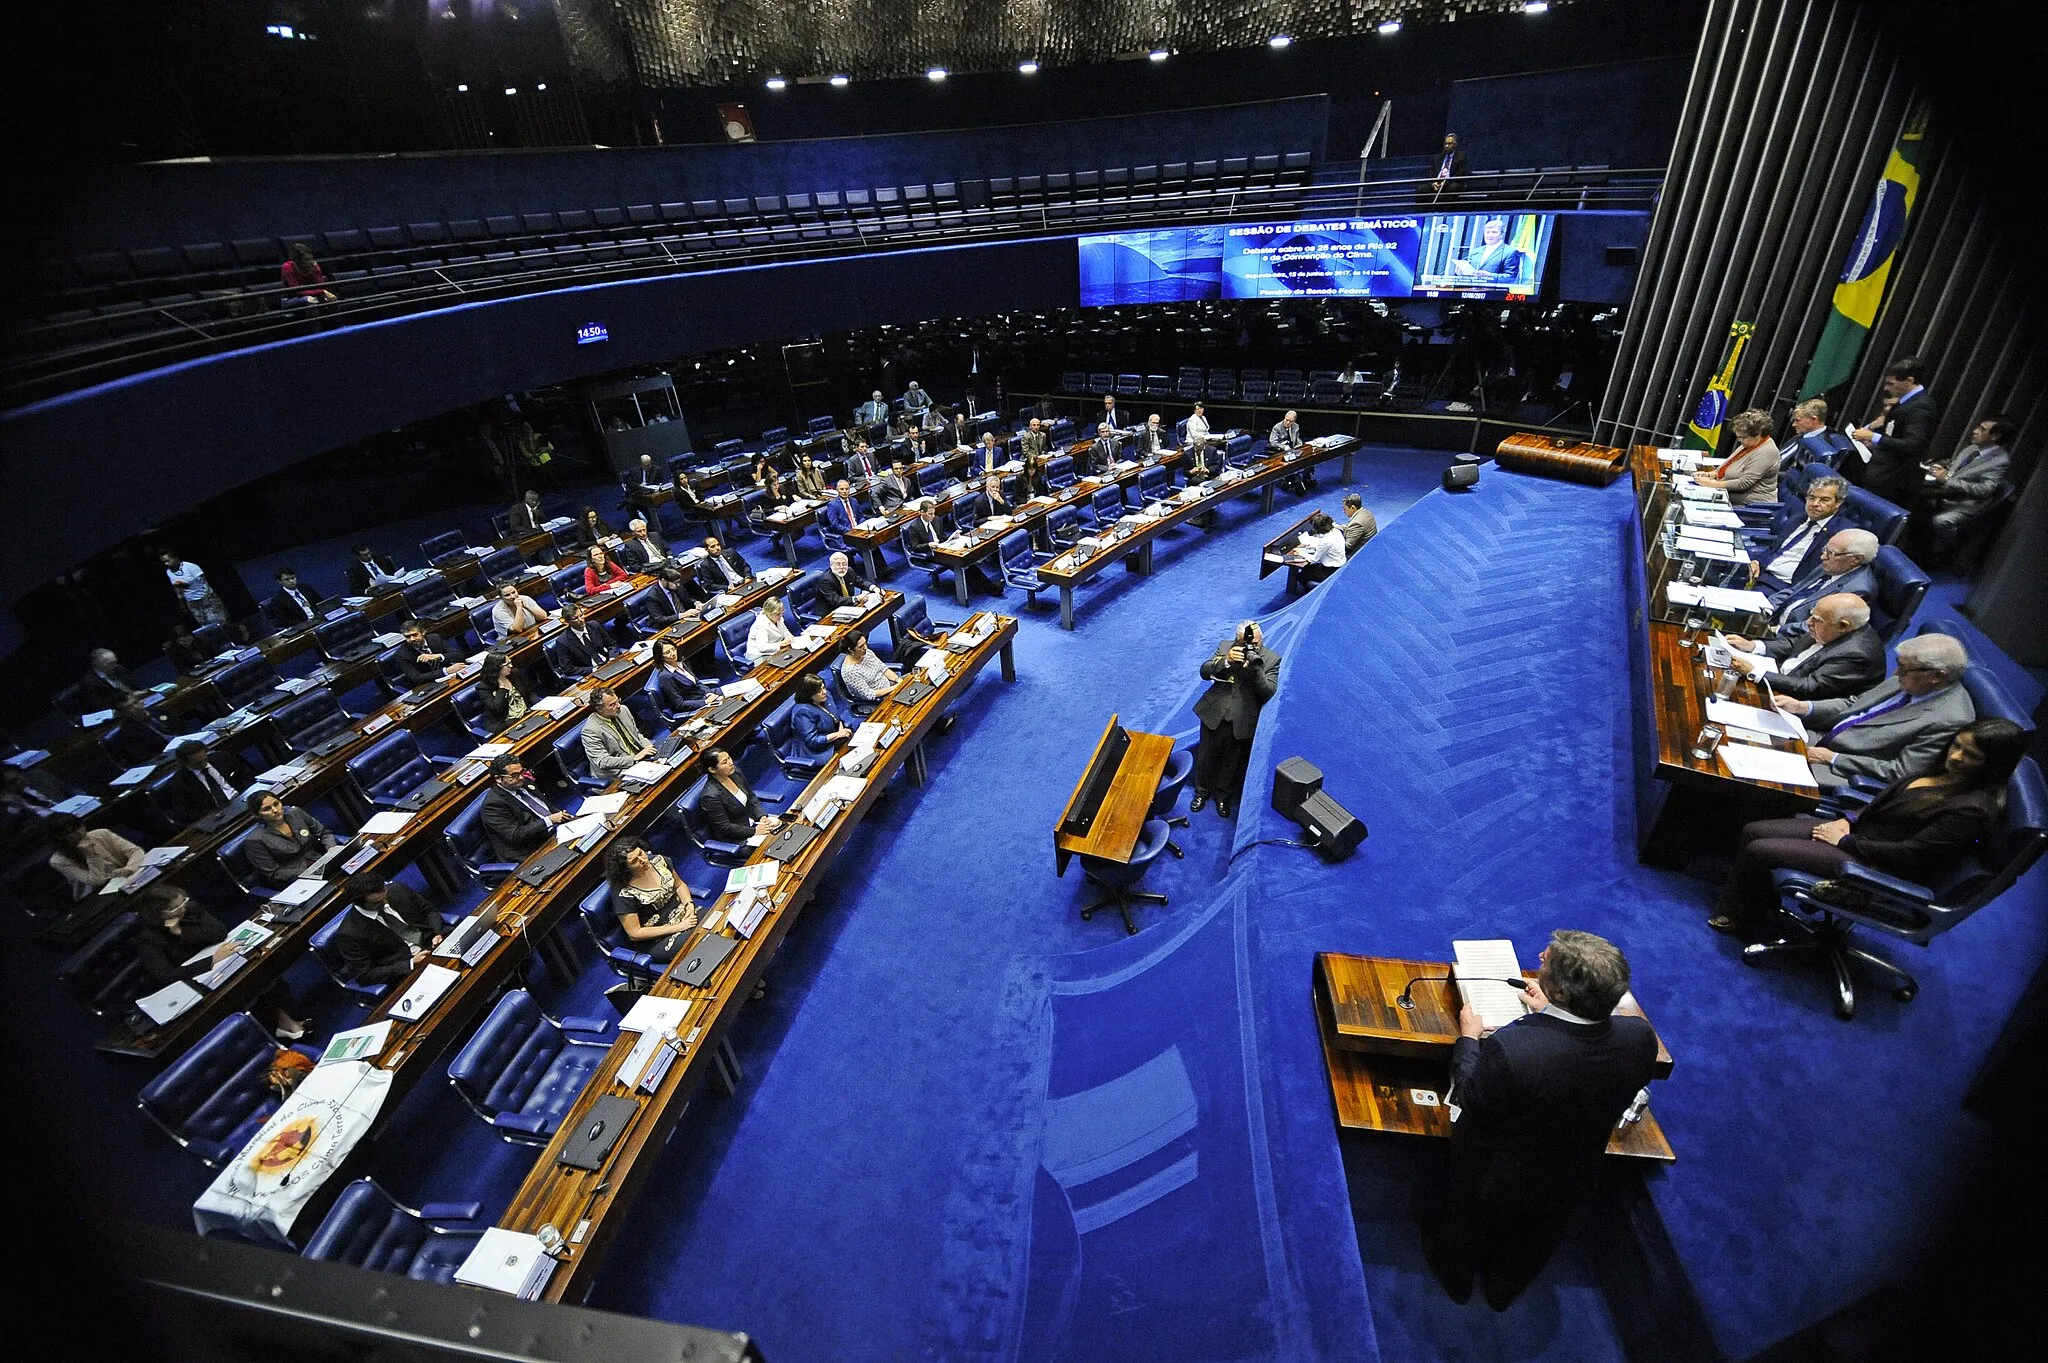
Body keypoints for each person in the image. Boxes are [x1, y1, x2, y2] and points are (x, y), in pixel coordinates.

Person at [1420, 930, 1658, 1310]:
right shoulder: (1641, 1037)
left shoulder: (1515, 1051)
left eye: (1548, 960)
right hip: (1573, 1178)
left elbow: (1470, 1097)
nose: (1541, 955)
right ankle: (1502, 1291)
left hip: (1494, 1180)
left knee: (1463, 1228)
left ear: (1563, 994)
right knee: (1531, 1244)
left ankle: (1457, 1278)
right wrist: (1554, 1013)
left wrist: (1468, 1040)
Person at [1710, 719, 2028, 936]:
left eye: (1969, 755)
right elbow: (1885, 801)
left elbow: (1912, 855)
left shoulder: (1973, 809)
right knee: (1753, 829)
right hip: (1862, 835)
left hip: (1879, 863)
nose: (1955, 757)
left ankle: (1739, 918)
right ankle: (1758, 905)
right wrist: (1847, 820)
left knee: (1759, 849)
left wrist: (1845, 842)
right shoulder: (1943, 772)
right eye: (1956, 745)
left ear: (1992, 764)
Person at [1772, 632, 1975, 786]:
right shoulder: (1912, 679)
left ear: (1937, 676)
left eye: (1904, 669)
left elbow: (1901, 772)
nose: (1896, 672)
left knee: (1764, 774)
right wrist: (1802, 706)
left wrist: (1832, 758)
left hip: (1841, 769)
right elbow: (1856, 704)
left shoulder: (1950, 719)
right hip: (1820, 738)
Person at [133, 886, 309, 1038]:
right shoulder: (148, 939)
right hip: (194, 980)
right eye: (177, 906)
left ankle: (282, 1019)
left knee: (256, 966)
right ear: (162, 914)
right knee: (243, 986)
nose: (184, 906)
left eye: (183, 901)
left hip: (221, 959)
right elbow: (166, 976)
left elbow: (218, 932)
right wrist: (211, 960)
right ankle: (282, 1023)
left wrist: (182, 932)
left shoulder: (190, 908)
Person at [1191, 622, 1280, 818]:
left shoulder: (1272, 659)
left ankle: (1223, 798)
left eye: (1256, 643)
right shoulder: (1225, 647)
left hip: (1243, 719)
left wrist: (1256, 669)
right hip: (1214, 713)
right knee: (1205, 758)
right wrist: (1226, 661)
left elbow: (1267, 693)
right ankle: (1201, 793)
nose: (1252, 647)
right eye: (1246, 643)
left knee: (1231, 764)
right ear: (1237, 640)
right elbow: (1204, 672)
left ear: (1261, 640)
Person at [1725, 593, 1886, 701]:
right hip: (1780, 680)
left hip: (1793, 702)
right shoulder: (1829, 627)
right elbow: (1795, 643)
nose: (1808, 622)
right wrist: (1753, 646)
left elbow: (1809, 688)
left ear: (1843, 626)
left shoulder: (1857, 655)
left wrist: (1755, 672)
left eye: (1816, 619)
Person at [1753, 528, 1879, 638]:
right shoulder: (1832, 564)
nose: (1823, 557)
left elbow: (1820, 627)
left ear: (1856, 559)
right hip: (1772, 620)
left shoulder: (1857, 591)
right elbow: (1793, 591)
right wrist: (1766, 608)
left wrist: (1776, 630)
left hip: (1790, 637)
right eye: (1825, 550)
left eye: (1831, 553)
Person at [1922, 416, 2013, 562]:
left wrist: (1947, 479)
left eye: (1982, 429)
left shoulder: (2000, 462)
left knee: (1942, 521)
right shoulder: (1972, 448)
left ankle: (1945, 554)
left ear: (1995, 436)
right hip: (1946, 495)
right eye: (1978, 427)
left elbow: (1984, 490)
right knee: (1918, 505)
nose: (1975, 431)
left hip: (1966, 504)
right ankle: (1919, 549)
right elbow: (1956, 469)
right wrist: (1944, 470)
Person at [1848, 356, 1938, 503]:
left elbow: (1913, 444)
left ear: (1909, 381)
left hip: (1893, 481)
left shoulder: (1921, 407)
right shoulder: (1906, 402)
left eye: (1891, 383)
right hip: (1880, 474)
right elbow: (1895, 434)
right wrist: (1875, 440)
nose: (1886, 388)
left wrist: (1874, 437)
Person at [330, 873, 444, 986]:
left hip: (435, 943)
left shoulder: (397, 889)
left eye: (385, 895)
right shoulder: (349, 934)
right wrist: (410, 963)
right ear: (361, 903)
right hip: (408, 968)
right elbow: (365, 975)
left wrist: (437, 932)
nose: (385, 902)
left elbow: (430, 911)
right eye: (377, 902)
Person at [1747, 475, 1850, 593]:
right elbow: (1773, 549)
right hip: (1760, 574)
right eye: (1811, 498)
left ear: (1838, 503)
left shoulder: (1841, 534)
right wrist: (1756, 562)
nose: (1815, 503)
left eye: (1824, 500)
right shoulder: (1798, 519)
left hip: (1784, 587)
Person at [604, 837, 698, 961]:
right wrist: (679, 927)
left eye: (641, 853)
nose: (642, 860)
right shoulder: (623, 893)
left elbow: (679, 885)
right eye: (634, 861)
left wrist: (689, 904)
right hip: (657, 938)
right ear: (625, 869)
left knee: (717, 920)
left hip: (684, 915)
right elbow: (635, 933)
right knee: (697, 943)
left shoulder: (660, 862)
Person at [241, 791, 338, 888]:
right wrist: (311, 872)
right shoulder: (254, 840)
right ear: (257, 815)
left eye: (276, 804)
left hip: (321, 862)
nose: (275, 810)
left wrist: (332, 850)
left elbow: (324, 833)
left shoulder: (295, 813)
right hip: (296, 880)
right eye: (267, 809)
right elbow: (275, 873)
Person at [479, 756, 569, 860]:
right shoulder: (493, 805)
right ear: (498, 778)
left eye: (522, 772)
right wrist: (549, 820)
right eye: (514, 775)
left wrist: (563, 816)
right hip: (530, 849)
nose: (521, 777)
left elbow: (546, 806)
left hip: (555, 831)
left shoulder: (523, 783)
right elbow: (515, 835)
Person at [1690, 408, 1779, 505]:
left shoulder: (1767, 452)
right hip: (1728, 496)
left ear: (1758, 435)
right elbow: (1727, 466)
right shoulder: (1751, 444)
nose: (1740, 440)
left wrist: (1710, 484)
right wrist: (1709, 475)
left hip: (1749, 506)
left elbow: (1743, 483)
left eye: (1743, 437)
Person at [46, 814, 146, 899]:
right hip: (100, 894)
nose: (80, 833)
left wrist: (129, 869)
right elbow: (97, 881)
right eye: (71, 832)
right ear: (60, 838)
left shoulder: (101, 834)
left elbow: (135, 851)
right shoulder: (59, 861)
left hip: (127, 878)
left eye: (79, 826)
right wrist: (90, 854)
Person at [158, 739, 251, 825]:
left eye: (204, 759)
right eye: (197, 763)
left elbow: (246, 775)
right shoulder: (179, 782)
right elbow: (185, 814)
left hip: (243, 799)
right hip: (218, 815)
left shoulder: (222, 757)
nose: (203, 764)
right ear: (185, 763)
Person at [700, 746, 781, 844]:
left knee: (783, 829)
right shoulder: (710, 796)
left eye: (729, 758)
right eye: (725, 762)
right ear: (712, 770)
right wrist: (754, 831)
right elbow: (724, 828)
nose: (731, 763)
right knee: (774, 843)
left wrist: (762, 816)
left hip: (753, 821)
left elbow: (751, 796)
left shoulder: (735, 773)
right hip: (738, 837)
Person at [580, 687, 655, 778]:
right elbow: (603, 761)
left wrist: (648, 746)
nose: (618, 706)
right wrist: (633, 758)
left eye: (618, 701)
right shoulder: (591, 730)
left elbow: (636, 734)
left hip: (640, 757)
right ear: (599, 709)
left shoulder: (623, 710)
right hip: (619, 771)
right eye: (612, 705)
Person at [784, 675, 852, 763]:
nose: (824, 692)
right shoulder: (803, 712)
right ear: (809, 694)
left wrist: (841, 727)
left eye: (823, 687)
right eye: (819, 691)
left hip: (835, 735)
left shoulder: (825, 696)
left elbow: (835, 717)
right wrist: (838, 734)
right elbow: (813, 741)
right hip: (820, 751)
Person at [1449, 216, 1530, 287]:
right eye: (1487, 232)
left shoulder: (1510, 252)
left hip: (1495, 296)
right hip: (1470, 293)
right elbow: (1471, 275)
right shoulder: (1476, 251)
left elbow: (1511, 278)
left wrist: (1490, 276)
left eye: (1494, 232)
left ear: (1502, 234)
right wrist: (1461, 273)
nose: (1490, 235)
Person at [1777, 398, 1855, 471]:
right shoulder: (1800, 437)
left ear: (1813, 420)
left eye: (1798, 420)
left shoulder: (1822, 448)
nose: (1793, 424)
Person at [103, 694, 177, 769]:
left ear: (141, 701)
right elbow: (145, 756)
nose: (136, 707)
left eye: (135, 702)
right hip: (167, 757)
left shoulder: (158, 711)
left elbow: (181, 726)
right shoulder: (127, 732)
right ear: (122, 713)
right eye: (129, 707)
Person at [1283, 511, 1348, 593]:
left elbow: (1314, 560)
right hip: (1341, 565)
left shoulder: (1325, 541)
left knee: (1299, 576)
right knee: (1307, 568)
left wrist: (1300, 552)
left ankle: (1309, 592)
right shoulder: (1336, 531)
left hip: (1329, 570)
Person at [645, 639, 709, 720]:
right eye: (667, 652)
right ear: (660, 657)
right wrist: (705, 702)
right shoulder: (665, 677)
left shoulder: (679, 663)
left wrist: (709, 693)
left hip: (705, 695)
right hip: (698, 704)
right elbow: (679, 704)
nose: (673, 653)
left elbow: (697, 682)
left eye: (673, 649)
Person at [548, 600, 615, 677]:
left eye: (581, 615)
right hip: (590, 673)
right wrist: (593, 670)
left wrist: (612, 658)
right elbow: (568, 668)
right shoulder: (563, 641)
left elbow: (612, 644)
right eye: (575, 618)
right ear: (567, 622)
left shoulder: (594, 625)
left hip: (609, 663)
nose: (581, 620)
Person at [161, 552, 228, 627]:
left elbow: (204, 583)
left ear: (175, 558)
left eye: (168, 561)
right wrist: (181, 601)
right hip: (192, 602)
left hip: (206, 597)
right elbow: (178, 587)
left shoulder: (191, 567)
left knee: (219, 621)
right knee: (205, 624)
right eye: (164, 562)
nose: (166, 564)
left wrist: (206, 597)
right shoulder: (169, 572)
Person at [838, 632, 902, 708]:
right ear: (851, 650)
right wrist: (894, 688)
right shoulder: (849, 672)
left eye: (865, 643)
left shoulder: (866, 653)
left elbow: (883, 668)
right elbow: (869, 694)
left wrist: (898, 679)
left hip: (890, 684)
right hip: (878, 699)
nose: (865, 648)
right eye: (860, 646)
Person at [78, 647, 141, 714]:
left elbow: (134, 685)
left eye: (115, 662)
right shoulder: (89, 683)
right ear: (97, 664)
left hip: (138, 702)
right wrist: (127, 699)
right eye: (110, 663)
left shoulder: (118, 668)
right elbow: (101, 706)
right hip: (120, 711)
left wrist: (137, 694)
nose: (115, 666)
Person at [476, 650, 528, 731]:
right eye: (507, 664)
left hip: (526, 714)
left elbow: (530, 692)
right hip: (505, 723)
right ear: (496, 667)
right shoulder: (484, 687)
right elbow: (497, 709)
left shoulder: (514, 673)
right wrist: (501, 688)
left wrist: (537, 706)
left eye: (510, 662)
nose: (511, 665)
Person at [636, 566, 700, 630]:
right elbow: (660, 619)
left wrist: (696, 603)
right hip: (667, 626)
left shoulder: (676, 586)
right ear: (663, 581)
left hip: (685, 619)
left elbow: (687, 599)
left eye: (678, 582)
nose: (678, 585)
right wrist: (682, 615)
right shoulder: (652, 596)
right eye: (675, 583)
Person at [392, 620, 452, 687]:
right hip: (429, 684)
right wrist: (446, 671)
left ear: (423, 632)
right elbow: (417, 678)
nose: (412, 639)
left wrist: (439, 656)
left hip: (451, 675)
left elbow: (459, 655)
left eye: (415, 635)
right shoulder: (401, 654)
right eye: (408, 637)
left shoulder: (435, 638)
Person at [745, 596, 795, 664]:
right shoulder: (761, 624)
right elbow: (762, 647)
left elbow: (784, 630)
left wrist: (789, 636)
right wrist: (782, 644)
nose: (780, 616)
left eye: (782, 612)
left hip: (775, 651)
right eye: (777, 614)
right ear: (768, 612)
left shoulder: (777, 618)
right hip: (759, 656)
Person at [1428, 132, 1469, 203]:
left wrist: (1445, 183)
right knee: (1421, 189)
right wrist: (1433, 182)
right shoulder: (1437, 157)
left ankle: (1444, 209)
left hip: (1451, 182)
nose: (1447, 146)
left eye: (1449, 144)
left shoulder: (1461, 157)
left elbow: (1460, 173)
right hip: (1436, 182)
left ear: (1455, 145)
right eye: (1445, 144)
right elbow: (1431, 172)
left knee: (1453, 188)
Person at [1185, 402, 1215, 474]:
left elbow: (1206, 430)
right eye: (1197, 409)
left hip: (1205, 438)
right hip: (1193, 441)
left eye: (1201, 408)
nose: (1199, 410)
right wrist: (1205, 438)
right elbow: (1194, 434)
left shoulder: (1203, 417)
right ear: (1194, 410)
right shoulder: (1192, 420)